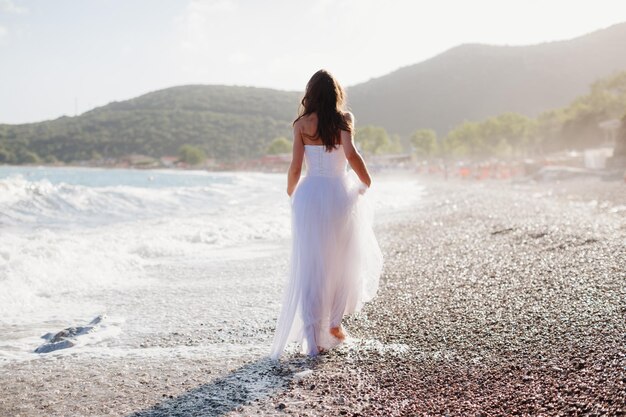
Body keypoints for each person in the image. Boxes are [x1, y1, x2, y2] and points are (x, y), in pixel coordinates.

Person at [270, 69, 383, 359]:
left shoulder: (301, 124)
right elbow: (352, 154)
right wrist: (366, 181)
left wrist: (292, 192)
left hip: (310, 196)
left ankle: (312, 337)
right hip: (338, 194)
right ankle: (334, 322)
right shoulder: (344, 120)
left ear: (311, 93)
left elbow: (295, 167)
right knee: (342, 258)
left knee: (312, 265)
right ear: (336, 94)